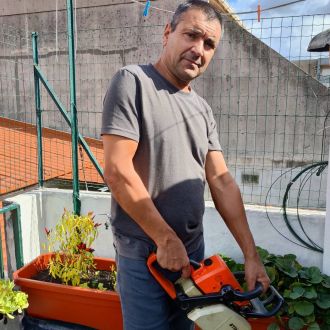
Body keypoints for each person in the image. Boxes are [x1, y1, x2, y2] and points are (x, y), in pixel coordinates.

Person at [101, 1, 270, 329]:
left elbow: (221, 180)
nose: (199, 49)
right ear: (168, 33)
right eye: (191, 35)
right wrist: (164, 239)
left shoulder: (202, 109)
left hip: (191, 254)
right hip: (145, 256)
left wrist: (251, 255)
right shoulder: (133, 82)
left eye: (209, 44)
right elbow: (118, 170)